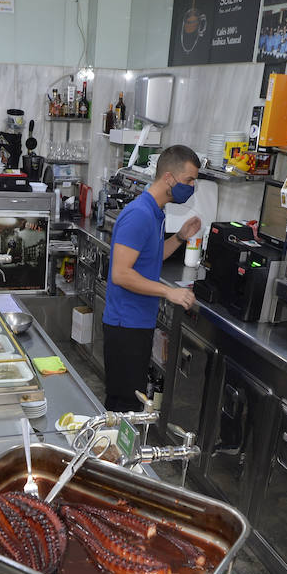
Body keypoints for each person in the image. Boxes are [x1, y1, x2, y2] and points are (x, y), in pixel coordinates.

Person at [102, 144, 203, 412]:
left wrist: (180, 237)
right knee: (123, 407)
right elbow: (121, 274)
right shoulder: (140, 215)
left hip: (138, 323)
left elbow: (150, 259)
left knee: (130, 403)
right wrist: (168, 292)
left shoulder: (156, 213)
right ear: (169, 178)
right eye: (189, 180)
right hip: (125, 325)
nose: (191, 187)